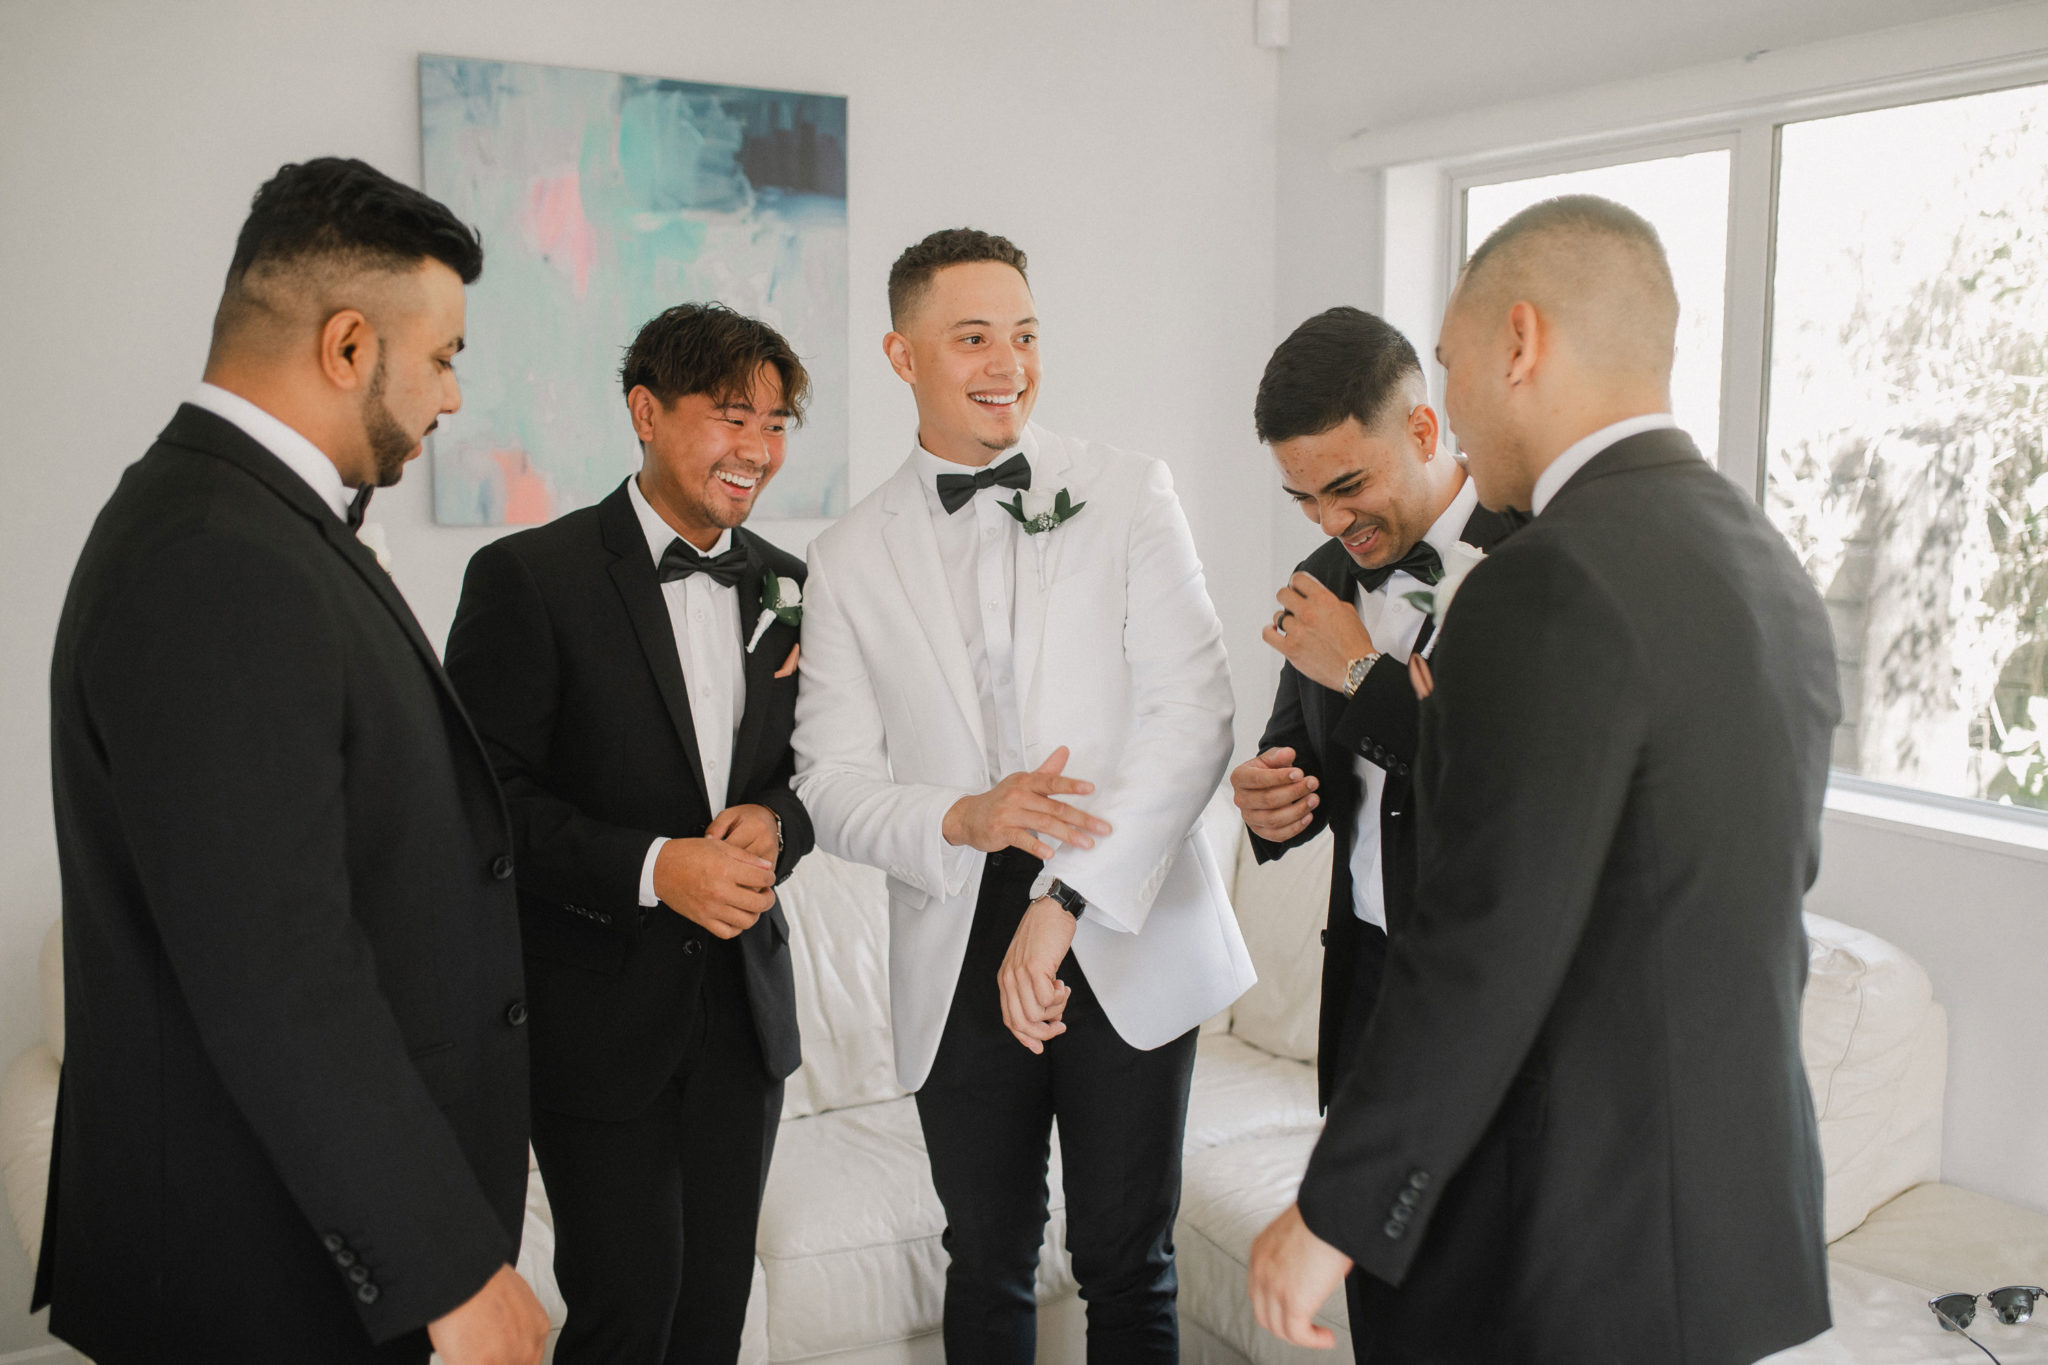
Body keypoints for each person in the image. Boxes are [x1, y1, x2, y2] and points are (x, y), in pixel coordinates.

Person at [1247, 195, 1839, 1365]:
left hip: (1571, 1214)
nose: (1453, 409)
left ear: (1518, 344)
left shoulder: (1547, 579)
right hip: (1721, 1221)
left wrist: (1338, 1206)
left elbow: (1489, 929)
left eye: (1455, 367)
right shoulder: (1763, 561)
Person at [37, 157, 548, 1365]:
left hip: (304, 1252)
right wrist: (448, 1268)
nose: (453, 396)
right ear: (348, 345)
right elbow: (279, 972)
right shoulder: (216, 557)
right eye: (444, 357)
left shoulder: (245, 521)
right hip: (265, 1274)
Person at [791, 228, 1255, 1362]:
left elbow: (1194, 717)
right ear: (902, 355)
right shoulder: (848, 555)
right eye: (972, 338)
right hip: (954, 928)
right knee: (985, 1255)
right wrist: (963, 816)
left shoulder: (1129, 491)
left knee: (1126, 1259)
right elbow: (828, 782)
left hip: (1122, 904)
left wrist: (1065, 898)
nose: (1007, 363)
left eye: (1024, 334)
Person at [444, 303, 814, 1364]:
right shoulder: (527, 579)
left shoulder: (792, 586)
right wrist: (656, 868)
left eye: (777, 424)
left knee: (711, 1321)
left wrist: (780, 827)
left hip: (744, 1020)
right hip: (596, 1024)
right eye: (731, 416)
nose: (757, 449)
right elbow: (485, 802)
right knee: (624, 1318)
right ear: (645, 411)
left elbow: (816, 776)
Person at [1231, 306, 1521, 1135]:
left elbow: (1507, 784)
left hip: (1482, 994)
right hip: (1362, 980)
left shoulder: (1531, 561)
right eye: (1304, 498)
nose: (1329, 522)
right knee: (1364, 1259)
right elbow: (1301, 749)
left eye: (1348, 487)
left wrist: (1362, 670)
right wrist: (1270, 798)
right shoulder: (1322, 573)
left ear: (1424, 429)